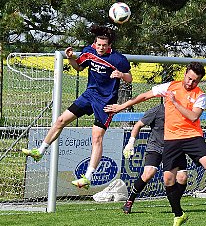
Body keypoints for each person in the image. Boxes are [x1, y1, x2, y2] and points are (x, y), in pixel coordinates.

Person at [104, 61, 206, 226]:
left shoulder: (200, 95)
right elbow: (144, 96)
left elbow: (193, 116)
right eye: (189, 78)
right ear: (185, 73)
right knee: (169, 179)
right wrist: (121, 106)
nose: (190, 83)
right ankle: (178, 215)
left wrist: (175, 102)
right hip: (172, 140)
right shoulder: (170, 86)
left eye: (195, 81)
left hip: (192, 136)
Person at [22, 25, 132, 189]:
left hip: (106, 103)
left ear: (110, 46)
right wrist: (71, 58)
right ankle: (40, 150)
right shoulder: (89, 51)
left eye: (104, 45)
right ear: (95, 43)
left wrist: (122, 75)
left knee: (96, 138)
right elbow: (79, 67)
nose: (101, 48)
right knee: (60, 120)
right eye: (98, 44)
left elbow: (129, 78)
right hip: (89, 95)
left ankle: (87, 177)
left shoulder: (118, 59)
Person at [122, 104, 188, 214]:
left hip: (174, 148)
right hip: (156, 147)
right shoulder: (157, 110)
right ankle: (129, 201)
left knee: (182, 178)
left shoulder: (182, 110)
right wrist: (130, 143)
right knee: (148, 173)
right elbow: (138, 125)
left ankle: (175, 204)